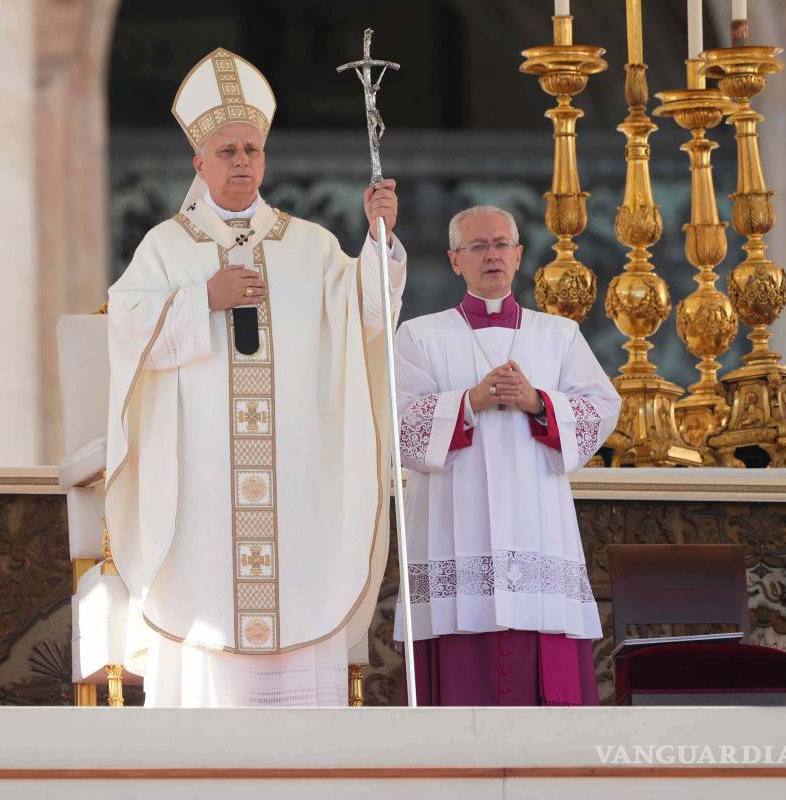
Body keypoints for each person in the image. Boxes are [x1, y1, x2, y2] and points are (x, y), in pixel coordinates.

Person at [105, 48, 405, 707]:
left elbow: (367, 316)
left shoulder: (312, 245)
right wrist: (200, 299)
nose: (242, 161)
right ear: (199, 163)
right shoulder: (165, 247)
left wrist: (380, 243)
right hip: (201, 488)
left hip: (294, 483)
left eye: (251, 149)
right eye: (227, 151)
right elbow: (123, 332)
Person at [393, 205, 620, 705]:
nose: (491, 255)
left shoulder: (558, 335)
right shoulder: (419, 335)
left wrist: (537, 402)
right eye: (477, 247)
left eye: (500, 245)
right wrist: (470, 401)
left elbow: (604, 408)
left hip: (537, 521)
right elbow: (398, 424)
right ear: (455, 261)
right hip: (455, 519)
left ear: (519, 256)